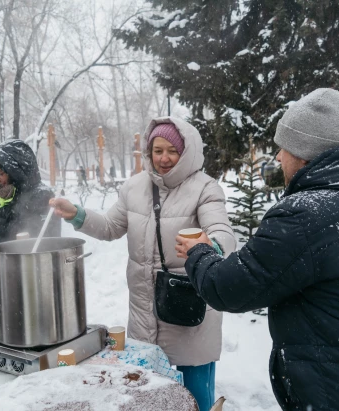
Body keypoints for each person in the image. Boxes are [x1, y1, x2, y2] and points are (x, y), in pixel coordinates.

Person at [175, 89, 339, 410]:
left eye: (282, 149)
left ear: (302, 151)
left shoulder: (305, 214)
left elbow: (230, 288)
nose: (278, 159)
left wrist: (199, 251)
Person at [50, 117, 236, 411]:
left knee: (196, 397)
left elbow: (223, 233)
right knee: (149, 396)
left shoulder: (205, 189)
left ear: (186, 151)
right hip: (144, 313)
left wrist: (209, 245)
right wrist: (77, 214)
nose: (163, 158)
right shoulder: (134, 187)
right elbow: (110, 227)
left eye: (172, 151)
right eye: (157, 150)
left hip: (189, 312)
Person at [0, 140, 61, 242]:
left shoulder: (42, 196)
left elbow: (40, 239)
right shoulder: (8, 197)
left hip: (31, 257)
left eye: (0, 173)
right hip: (9, 256)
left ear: (15, 172)